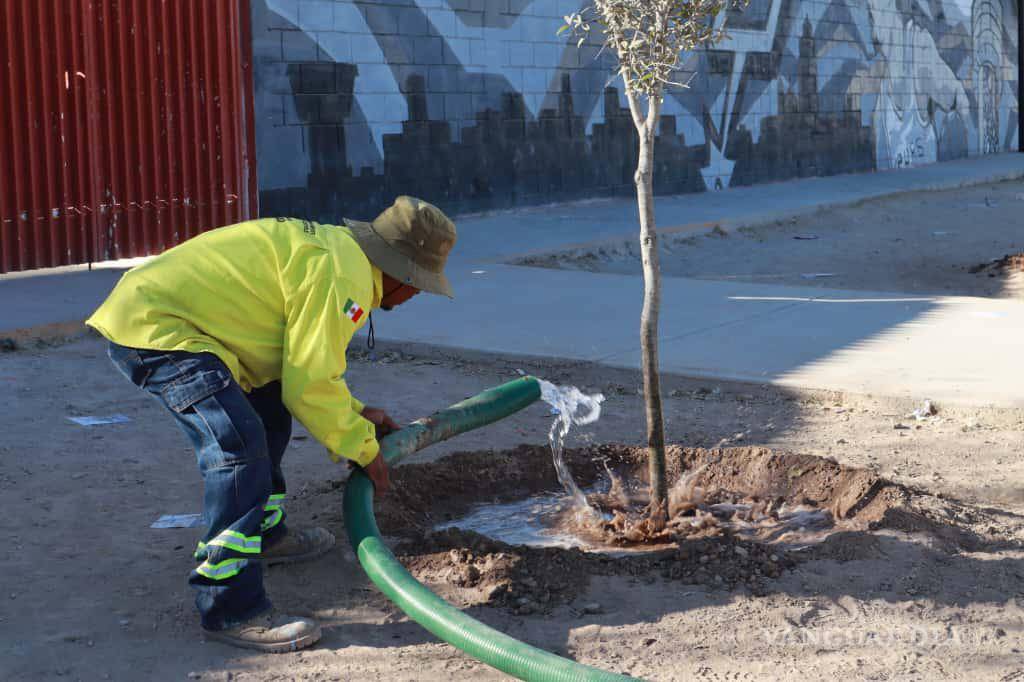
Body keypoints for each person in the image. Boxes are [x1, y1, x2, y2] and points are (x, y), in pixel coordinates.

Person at [86, 196, 456, 653]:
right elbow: (311, 384)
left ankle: (263, 534)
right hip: (161, 330)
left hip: (175, 320)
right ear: (399, 269)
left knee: (270, 411)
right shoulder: (345, 279)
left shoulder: (341, 256)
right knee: (238, 449)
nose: (419, 292)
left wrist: (356, 411)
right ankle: (230, 607)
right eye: (420, 282)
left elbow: (300, 370)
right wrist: (365, 448)